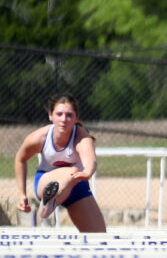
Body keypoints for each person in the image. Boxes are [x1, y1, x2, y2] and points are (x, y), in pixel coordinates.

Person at [13, 94, 107, 232]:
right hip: (46, 182)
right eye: (59, 114)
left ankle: (52, 201)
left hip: (76, 186)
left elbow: (90, 160)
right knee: (73, 170)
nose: (64, 119)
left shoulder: (81, 137)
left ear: (76, 118)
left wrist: (87, 173)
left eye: (69, 115)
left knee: (99, 237)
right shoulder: (39, 138)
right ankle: (49, 202)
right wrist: (22, 195)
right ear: (50, 115)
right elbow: (20, 159)